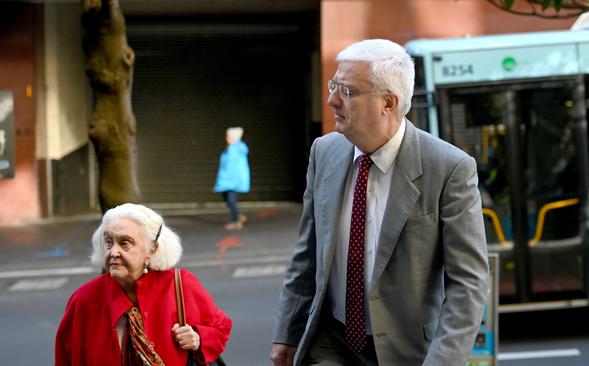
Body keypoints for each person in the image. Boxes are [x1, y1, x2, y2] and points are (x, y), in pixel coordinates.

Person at [270, 39, 488, 365]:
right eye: (333, 86)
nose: (331, 100)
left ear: (388, 102)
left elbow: (468, 284)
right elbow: (307, 254)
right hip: (331, 342)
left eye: (347, 92)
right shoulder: (324, 152)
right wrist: (287, 331)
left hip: (407, 351)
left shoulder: (449, 168)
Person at [55, 203, 232, 365]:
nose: (113, 251)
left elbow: (220, 327)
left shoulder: (181, 284)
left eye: (125, 243)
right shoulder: (84, 299)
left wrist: (198, 338)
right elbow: (66, 357)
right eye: (109, 242)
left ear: (152, 250)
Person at [214, 127, 250, 231]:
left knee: (231, 200)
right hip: (228, 180)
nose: (226, 138)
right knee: (228, 199)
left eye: (228, 136)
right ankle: (238, 216)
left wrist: (228, 181)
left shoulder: (235, 149)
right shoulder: (232, 148)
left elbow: (232, 167)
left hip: (232, 181)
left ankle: (236, 221)